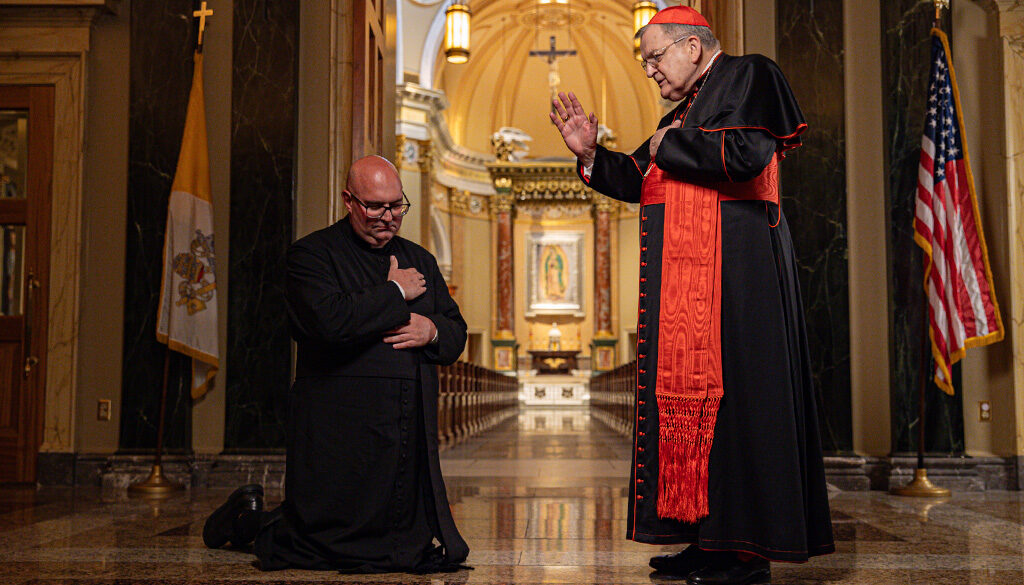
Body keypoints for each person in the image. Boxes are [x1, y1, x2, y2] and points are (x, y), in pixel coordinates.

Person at [551, 6, 834, 585]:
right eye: (646, 61)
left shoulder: (751, 74)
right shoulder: (683, 112)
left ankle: (747, 551)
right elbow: (636, 176)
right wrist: (587, 153)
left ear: (692, 45)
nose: (650, 70)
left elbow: (746, 156)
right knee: (704, 412)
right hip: (693, 286)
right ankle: (708, 540)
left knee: (740, 407)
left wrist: (664, 146)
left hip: (740, 276)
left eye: (655, 56)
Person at [203, 155, 470, 574]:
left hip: (401, 435)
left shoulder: (421, 260)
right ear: (348, 200)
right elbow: (327, 322)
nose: (388, 217)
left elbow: (456, 333)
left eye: (396, 205)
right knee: (311, 541)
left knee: (396, 537)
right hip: (337, 434)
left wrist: (430, 331)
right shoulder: (311, 255)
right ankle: (242, 518)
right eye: (375, 206)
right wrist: (395, 294)